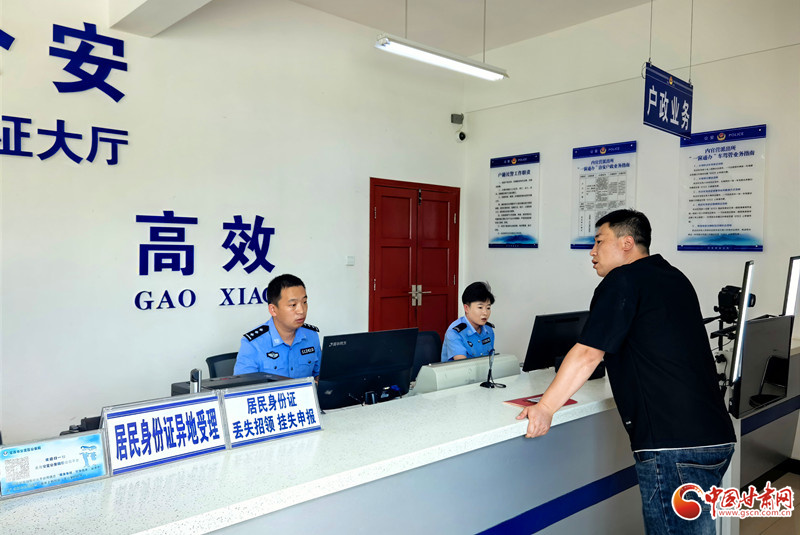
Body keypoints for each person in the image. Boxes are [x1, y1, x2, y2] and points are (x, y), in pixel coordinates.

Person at [516, 209, 736, 534]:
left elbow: (589, 353)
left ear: (627, 243)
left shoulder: (623, 280)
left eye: (599, 241)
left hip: (672, 446)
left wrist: (545, 408)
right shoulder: (674, 278)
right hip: (715, 438)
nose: (592, 251)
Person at [233, 273, 321, 379]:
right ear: (273, 310)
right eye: (293, 305)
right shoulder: (253, 344)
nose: (301, 310)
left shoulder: (311, 335)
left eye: (304, 302)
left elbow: (319, 375)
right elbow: (244, 386)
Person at [441, 281, 496, 361]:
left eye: (488, 308)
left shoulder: (488, 329)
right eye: (480, 307)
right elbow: (462, 365)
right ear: (466, 308)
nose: (485, 313)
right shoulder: (455, 332)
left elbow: (490, 360)